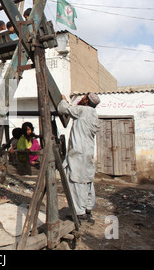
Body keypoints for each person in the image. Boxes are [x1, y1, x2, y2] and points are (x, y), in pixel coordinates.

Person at [58, 93, 101, 223]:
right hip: (87, 152)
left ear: (86, 101)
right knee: (87, 180)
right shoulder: (93, 114)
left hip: (78, 153)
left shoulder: (82, 110)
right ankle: (88, 208)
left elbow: (63, 109)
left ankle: (79, 212)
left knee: (75, 181)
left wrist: (63, 100)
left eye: (84, 98)